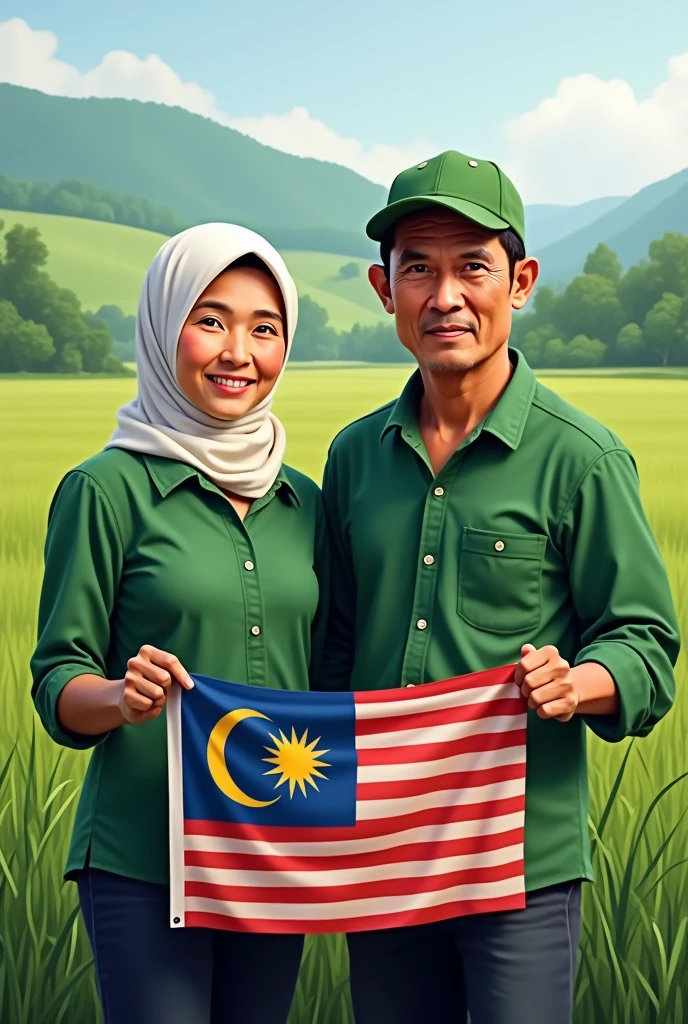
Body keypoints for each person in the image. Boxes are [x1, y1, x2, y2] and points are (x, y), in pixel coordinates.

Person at [317, 150, 680, 1024]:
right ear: (383, 288)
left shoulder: (582, 460)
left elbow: (647, 648)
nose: (445, 297)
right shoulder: (353, 458)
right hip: (387, 853)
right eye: (419, 270)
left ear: (519, 282)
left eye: (472, 267)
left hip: (518, 857)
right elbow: (332, 650)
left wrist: (576, 682)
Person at [30, 223, 327, 1024]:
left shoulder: (307, 503)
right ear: (164, 328)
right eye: (211, 320)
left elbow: (332, 674)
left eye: (264, 328)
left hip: (272, 850)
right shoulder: (105, 490)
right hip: (143, 855)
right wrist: (120, 697)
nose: (238, 351)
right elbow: (58, 677)